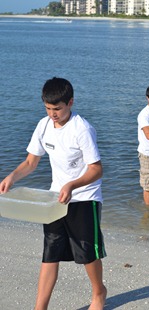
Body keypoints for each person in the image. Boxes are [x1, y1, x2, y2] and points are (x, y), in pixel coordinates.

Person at [0, 77, 107, 310]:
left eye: (57, 108)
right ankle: (40, 308)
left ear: (70, 102)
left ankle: (99, 293)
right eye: (48, 108)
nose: (52, 114)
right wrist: (12, 177)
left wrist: (71, 185)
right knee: (51, 252)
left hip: (84, 197)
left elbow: (97, 170)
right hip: (55, 200)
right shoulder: (44, 125)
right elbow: (30, 161)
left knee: (87, 252)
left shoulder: (82, 129)